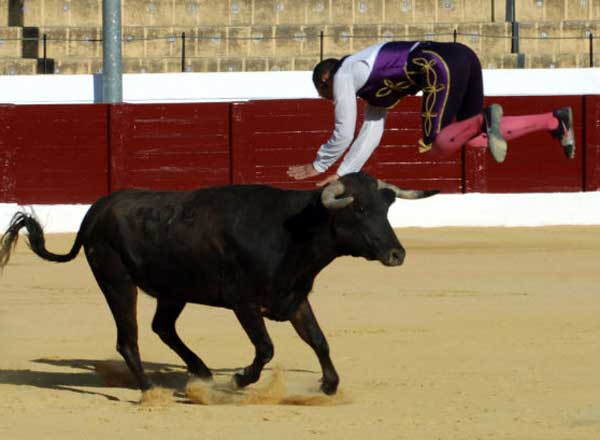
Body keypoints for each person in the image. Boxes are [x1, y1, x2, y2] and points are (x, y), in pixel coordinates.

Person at [287, 41, 575, 187]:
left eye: (322, 93)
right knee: (474, 140)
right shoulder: (368, 79)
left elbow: (345, 131)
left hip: (437, 64)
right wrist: (344, 173)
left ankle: (483, 118)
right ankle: (554, 120)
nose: (328, 99)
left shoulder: (344, 74)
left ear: (325, 79)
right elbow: (371, 130)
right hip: (462, 56)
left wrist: (320, 164)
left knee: (437, 141)